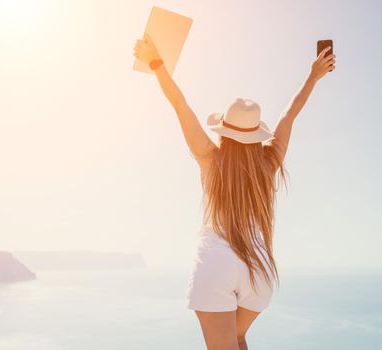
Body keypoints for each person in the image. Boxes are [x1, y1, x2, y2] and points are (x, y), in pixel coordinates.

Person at [134, 33, 335, 350]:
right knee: (238, 338)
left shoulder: (210, 159)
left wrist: (156, 62)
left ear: (224, 131)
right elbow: (289, 114)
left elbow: (180, 105)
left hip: (217, 265)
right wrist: (314, 75)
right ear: (256, 134)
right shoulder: (269, 163)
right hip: (258, 271)